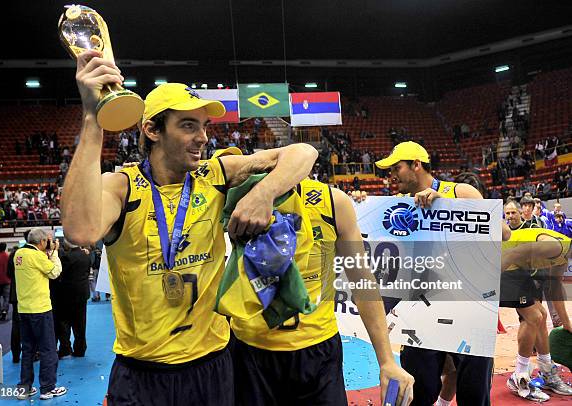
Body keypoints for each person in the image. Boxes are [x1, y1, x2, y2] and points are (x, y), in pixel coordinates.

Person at [60, 50, 318, 406]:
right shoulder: (122, 186)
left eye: (204, 126)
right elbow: (81, 232)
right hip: (142, 374)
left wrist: (263, 194)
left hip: (212, 365)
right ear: (152, 130)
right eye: (187, 125)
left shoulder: (214, 174)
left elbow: (303, 153)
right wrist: (93, 117)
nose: (202, 138)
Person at [230, 176, 414, 406]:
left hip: (318, 351)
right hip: (251, 350)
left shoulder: (333, 202)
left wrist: (387, 361)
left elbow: (362, 281)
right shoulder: (240, 196)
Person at [374, 141, 493, 406]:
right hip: (420, 311)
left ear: (417, 165)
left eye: (397, 167)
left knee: (474, 394)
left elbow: (502, 233)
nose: (391, 174)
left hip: (468, 308)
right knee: (419, 391)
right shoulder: (396, 208)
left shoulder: (460, 191)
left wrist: (448, 207)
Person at [501, 227, 572, 400]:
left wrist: (567, 324)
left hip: (517, 269)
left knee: (541, 315)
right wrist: (486, 279)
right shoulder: (555, 247)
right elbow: (513, 253)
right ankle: (519, 377)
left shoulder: (562, 258)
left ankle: (547, 372)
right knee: (534, 316)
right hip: (504, 262)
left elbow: (554, 288)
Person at [14, 229, 67, 400]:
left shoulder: (18, 254)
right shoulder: (37, 257)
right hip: (40, 310)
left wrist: (47, 253)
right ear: (42, 241)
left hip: (23, 310)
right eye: (47, 241)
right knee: (48, 349)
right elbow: (54, 272)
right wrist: (55, 253)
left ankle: (25, 387)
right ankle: (47, 388)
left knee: (28, 350)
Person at [57, 240, 91, 358]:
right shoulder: (86, 256)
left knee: (64, 322)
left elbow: (60, 273)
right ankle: (80, 349)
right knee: (81, 323)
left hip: (67, 294)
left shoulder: (66, 257)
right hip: (82, 293)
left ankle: (65, 348)